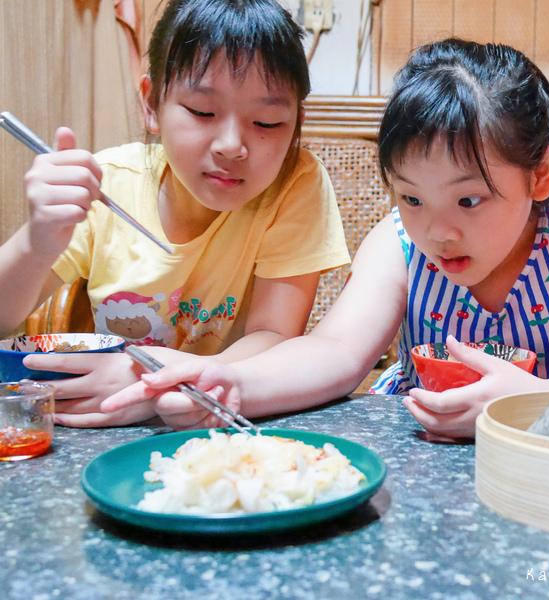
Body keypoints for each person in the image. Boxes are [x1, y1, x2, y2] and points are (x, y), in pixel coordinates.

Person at [102, 38, 549, 438]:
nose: (437, 231)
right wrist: (230, 380)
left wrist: (532, 399)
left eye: (469, 200)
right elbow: (336, 351)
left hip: (548, 459)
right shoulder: (399, 241)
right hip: (415, 450)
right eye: (411, 198)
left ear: (540, 174)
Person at [0, 0, 350, 427]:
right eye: (203, 112)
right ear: (152, 104)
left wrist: (154, 379)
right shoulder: (108, 183)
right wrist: (36, 243)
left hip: (223, 418)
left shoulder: (296, 184)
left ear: (296, 123)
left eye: (267, 122)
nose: (231, 145)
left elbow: (273, 334)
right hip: (106, 420)